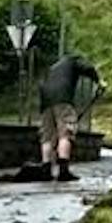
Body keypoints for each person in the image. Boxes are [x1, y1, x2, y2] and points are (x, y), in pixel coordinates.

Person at [37, 50, 104, 184]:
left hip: (45, 101)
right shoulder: (73, 61)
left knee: (47, 136)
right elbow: (88, 68)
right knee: (65, 133)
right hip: (63, 100)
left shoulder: (54, 67)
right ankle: (63, 171)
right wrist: (99, 81)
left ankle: (45, 169)